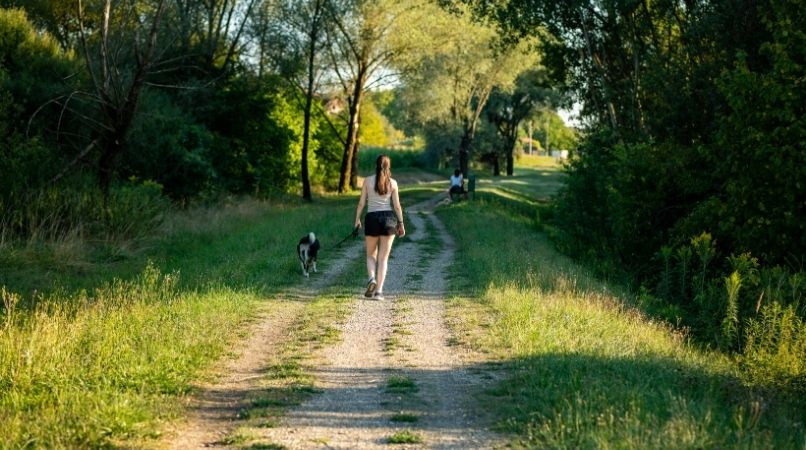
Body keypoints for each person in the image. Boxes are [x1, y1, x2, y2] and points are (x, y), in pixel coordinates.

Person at [354, 155, 405, 300]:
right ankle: (379, 292)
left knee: (371, 255)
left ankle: (372, 279)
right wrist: (401, 224)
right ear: (388, 166)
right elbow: (396, 206)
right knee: (383, 258)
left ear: (376, 165)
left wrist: (357, 219)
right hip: (389, 219)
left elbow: (361, 203)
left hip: (371, 218)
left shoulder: (367, 181)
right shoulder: (393, 183)